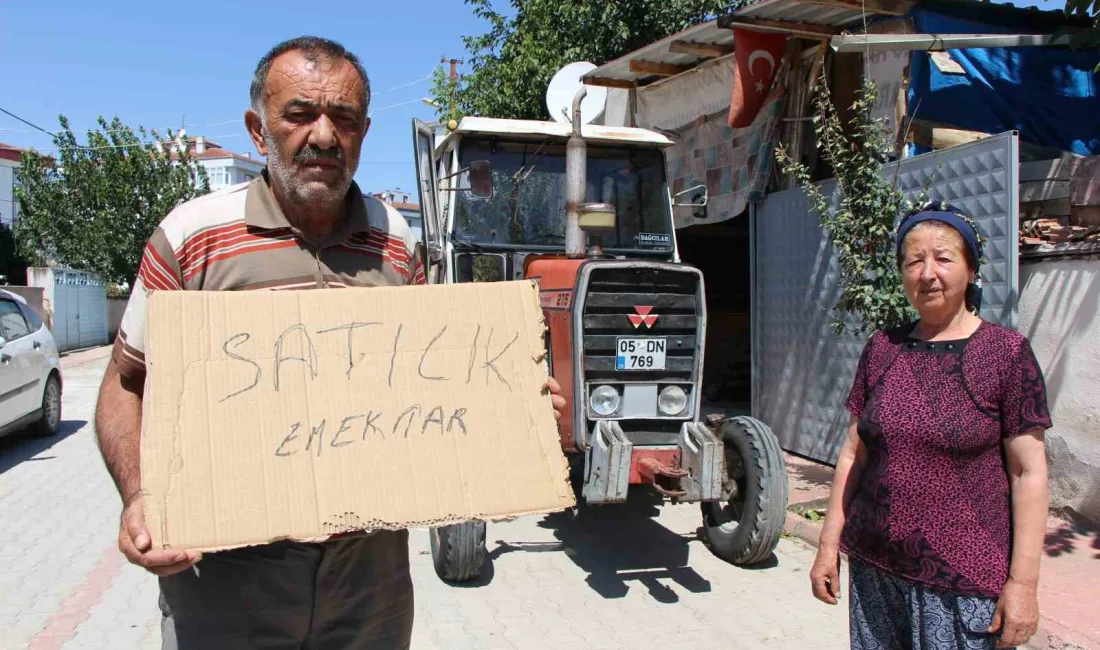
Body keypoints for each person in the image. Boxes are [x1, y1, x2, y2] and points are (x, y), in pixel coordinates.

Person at [94, 36, 566, 650]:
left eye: (343, 119)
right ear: (258, 129)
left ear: (364, 131)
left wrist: (515, 413)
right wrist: (140, 497)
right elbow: (124, 385)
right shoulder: (193, 235)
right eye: (299, 114)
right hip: (226, 586)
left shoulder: (395, 239)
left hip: (368, 589)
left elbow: (441, 381)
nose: (323, 136)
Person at [809, 202, 1052, 650]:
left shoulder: (1006, 355)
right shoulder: (883, 348)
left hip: (965, 579)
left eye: (943, 257)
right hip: (875, 569)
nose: (927, 273)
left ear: (972, 268)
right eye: (913, 260)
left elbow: (1028, 473)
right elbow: (853, 453)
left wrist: (1023, 585)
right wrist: (828, 544)